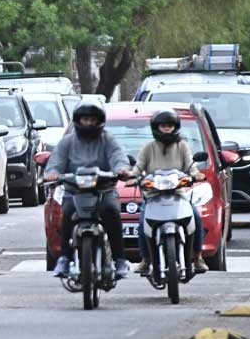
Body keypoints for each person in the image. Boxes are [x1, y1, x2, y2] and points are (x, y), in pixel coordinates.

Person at [44, 102, 133, 279]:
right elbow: (55, 164)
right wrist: (53, 174)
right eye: (85, 119)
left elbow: (118, 157)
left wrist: (122, 170)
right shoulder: (67, 142)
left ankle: (119, 259)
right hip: (74, 191)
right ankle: (64, 258)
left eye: (93, 120)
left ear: (100, 121)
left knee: (112, 211)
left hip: (103, 190)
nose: (89, 124)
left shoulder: (108, 139)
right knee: (67, 213)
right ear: (78, 120)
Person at [133, 109, 208, 276]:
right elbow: (138, 168)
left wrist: (196, 175)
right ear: (156, 128)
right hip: (153, 196)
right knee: (142, 221)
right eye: (163, 126)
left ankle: (197, 257)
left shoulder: (182, 146)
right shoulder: (148, 148)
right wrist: (133, 177)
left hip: (178, 194)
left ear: (176, 127)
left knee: (195, 216)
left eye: (170, 125)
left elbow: (190, 166)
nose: (166, 129)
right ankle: (146, 259)